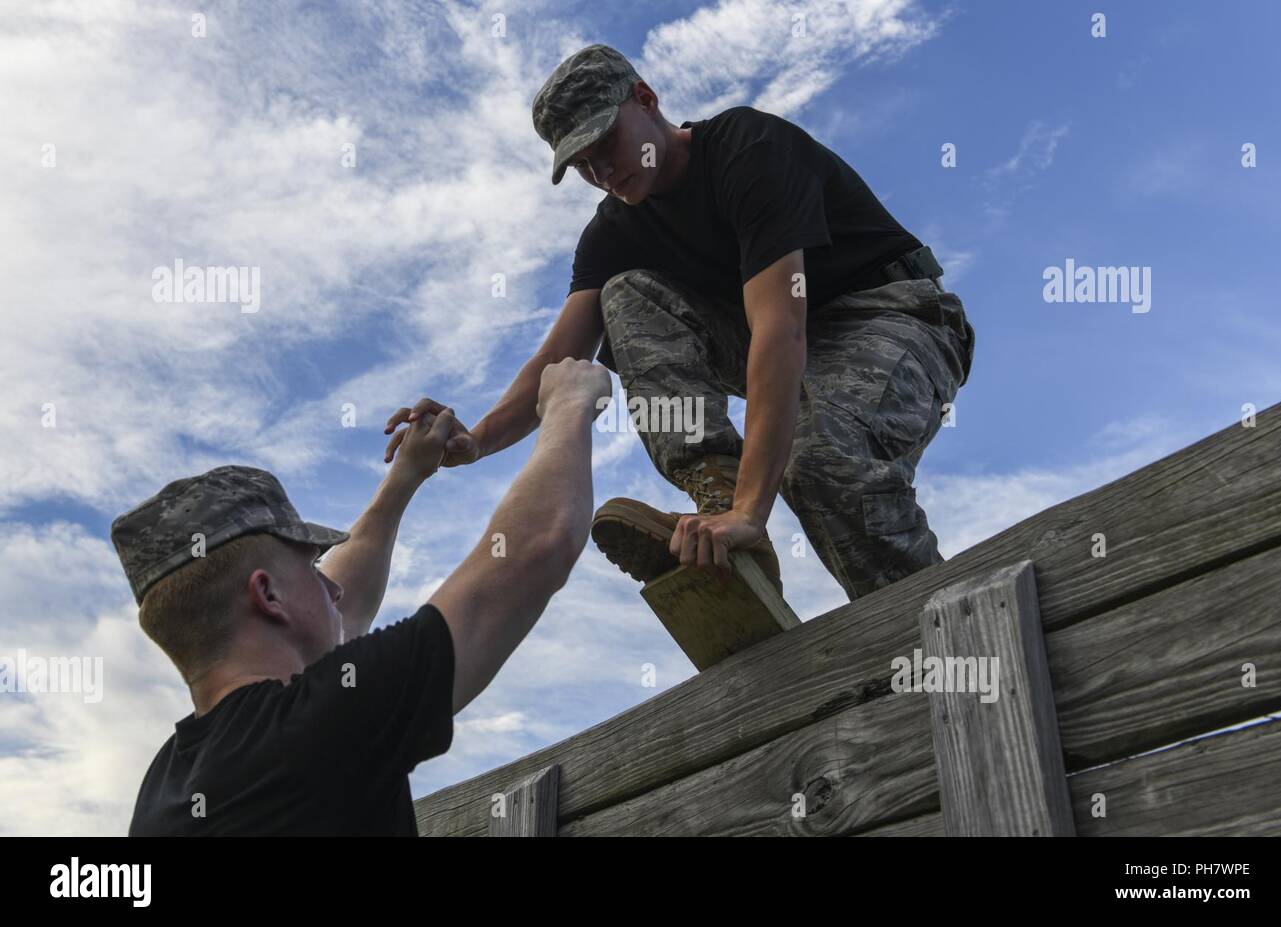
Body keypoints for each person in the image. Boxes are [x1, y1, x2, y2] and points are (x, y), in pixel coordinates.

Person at [439, 44, 976, 602]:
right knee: (624, 295)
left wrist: (755, 508)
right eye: (581, 165)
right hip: (781, 341)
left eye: (604, 145)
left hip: (895, 318)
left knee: (818, 460)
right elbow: (557, 362)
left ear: (645, 100)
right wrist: (475, 440)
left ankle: (929, 622)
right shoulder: (613, 235)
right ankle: (718, 498)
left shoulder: (748, 149)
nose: (600, 172)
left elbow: (780, 328)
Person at [113, 358, 611, 835]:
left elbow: (341, 611)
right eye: (311, 567)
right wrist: (568, 402)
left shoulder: (165, 788)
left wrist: (405, 476)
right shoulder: (316, 730)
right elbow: (533, 551)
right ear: (268, 595)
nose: (332, 585)